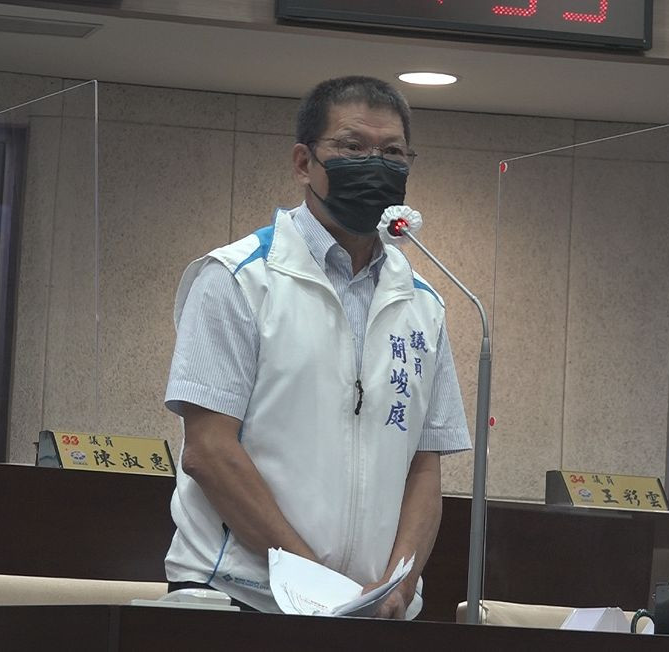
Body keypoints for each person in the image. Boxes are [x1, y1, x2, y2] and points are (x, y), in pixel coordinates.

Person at [162, 76, 472, 619]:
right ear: (304, 163)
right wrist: (314, 584)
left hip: (368, 610)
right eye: (352, 147)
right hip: (240, 596)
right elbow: (208, 451)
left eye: (392, 153)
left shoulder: (423, 303)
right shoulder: (238, 278)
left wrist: (399, 583)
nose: (375, 164)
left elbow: (425, 467)